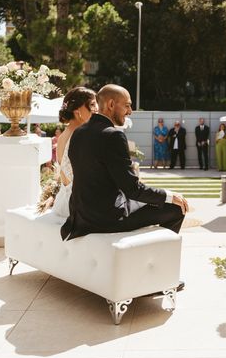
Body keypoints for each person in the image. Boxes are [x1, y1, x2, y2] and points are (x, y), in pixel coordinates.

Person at [60, 84, 188, 241]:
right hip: (106, 219)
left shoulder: (79, 132)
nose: (130, 112)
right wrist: (169, 195)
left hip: (79, 217)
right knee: (176, 209)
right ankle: (152, 254)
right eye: (127, 105)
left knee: (146, 202)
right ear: (111, 105)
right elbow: (132, 189)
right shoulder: (113, 136)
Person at [52, 87, 98, 218]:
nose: (96, 109)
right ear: (77, 111)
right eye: (92, 105)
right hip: (81, 205)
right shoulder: (81, 136)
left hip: (64, 202)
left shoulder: (63, 135)